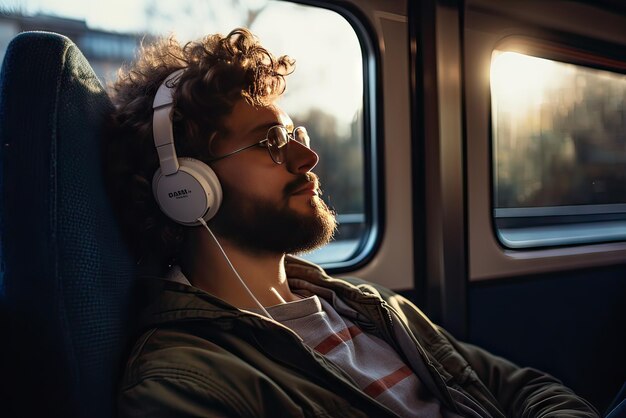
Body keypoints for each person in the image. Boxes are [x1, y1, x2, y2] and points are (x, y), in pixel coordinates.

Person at [106, 28, 600, 417]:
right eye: (269, 142)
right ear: (185, 191)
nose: (308, 155)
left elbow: (524, 390)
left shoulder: (364, 303)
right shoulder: (186, 381)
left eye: (293, 133)